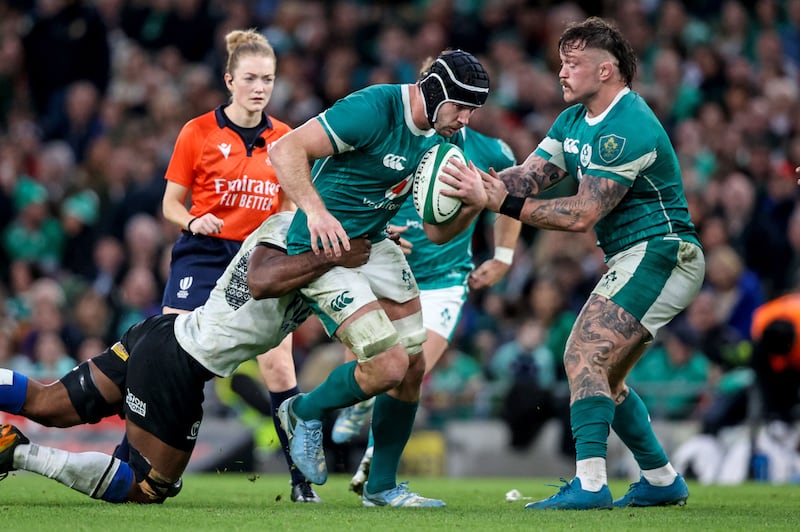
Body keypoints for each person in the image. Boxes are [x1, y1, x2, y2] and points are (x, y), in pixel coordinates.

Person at [453, 17, 706, 509]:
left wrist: (498, 203)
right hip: (636, 255)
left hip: (662, 251)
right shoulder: (572, 121)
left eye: (573, 64)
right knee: (605, 380)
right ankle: (661, 479)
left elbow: (583, 213)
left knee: (581, 353)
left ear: (607, 70)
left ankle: (591, 484)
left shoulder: (629, 125)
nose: (562, 74)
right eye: (561, 63)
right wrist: (476, 184)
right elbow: (528, 177)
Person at [0, 211, 370, 504]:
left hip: (158, 332)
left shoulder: (288, 237)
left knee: (48, 403)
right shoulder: (290, 246)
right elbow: (264, 281)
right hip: (176, 361)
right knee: (148, 487)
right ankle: (18, 454)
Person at [268, 49, 490, 507]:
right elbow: (284, 148)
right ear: (435, 92)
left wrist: (472, 204)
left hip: (373, 244)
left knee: (412, 367)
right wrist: (316, 213)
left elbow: (435, 231)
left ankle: (381, 487)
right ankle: (303, 411)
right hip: (322, 247)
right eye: (461, 107)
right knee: (388, 365)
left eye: (474, 110)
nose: (466, 120)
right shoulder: (373, 108)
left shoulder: (449, 141)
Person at [147, 28, 317, 502]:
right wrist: (194, 220)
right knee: (169, 364)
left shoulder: (286, 139)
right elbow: (170, 205)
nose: (260, 87)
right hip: (202, 255)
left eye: (268, 78)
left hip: (257, 260)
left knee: (280, 368)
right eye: (250, 78)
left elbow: (288, 209)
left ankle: (301, 482)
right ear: (229, 80)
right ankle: (143, 463)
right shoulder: (196, 132)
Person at [330, 123, 522, 495]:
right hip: (385, 273)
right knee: (366, 369)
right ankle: (358, 404)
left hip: (444, 281)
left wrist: (503, 257)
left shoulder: (490, 151)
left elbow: (511, 197)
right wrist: (378, 235)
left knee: (409, 373)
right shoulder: (390, 142)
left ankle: (374, 461)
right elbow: (353, 195)